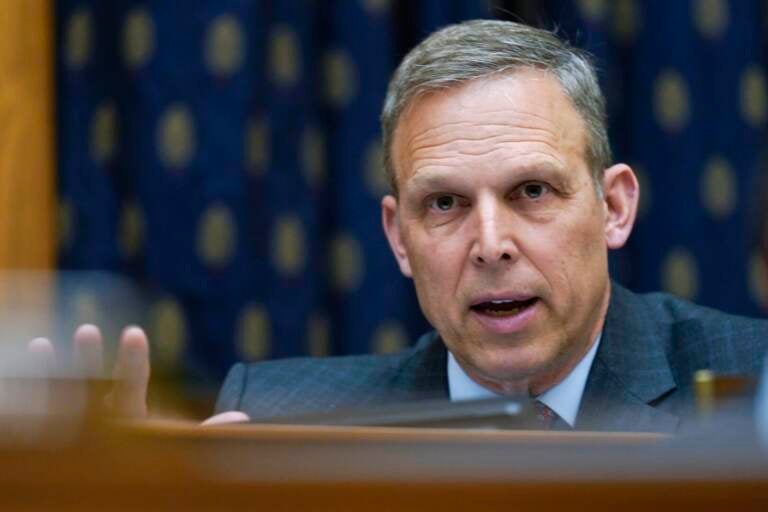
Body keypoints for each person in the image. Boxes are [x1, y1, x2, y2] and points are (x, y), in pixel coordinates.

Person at [35, 20, 768, 431]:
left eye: (532, 191)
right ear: (397, 237)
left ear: (614, 207)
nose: (490, 245)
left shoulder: (754, 387)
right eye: (444, 204)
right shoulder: (274, 424)